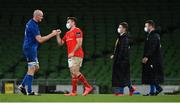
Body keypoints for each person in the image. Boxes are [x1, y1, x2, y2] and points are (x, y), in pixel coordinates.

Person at [18, 9, 60, 95]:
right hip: (30, 48)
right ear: (36, 16)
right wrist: (53, 34)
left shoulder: (32, 23)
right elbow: (40, 40)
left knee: (36, 67)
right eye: (41, 16)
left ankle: (22, 85)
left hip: (32, 47)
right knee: (32, 68)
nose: (42, 17)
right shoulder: (32, 25)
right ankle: (29, 91)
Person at [56, 17, 92, 96]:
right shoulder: (67, 33)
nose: (67, 24)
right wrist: (57, 35)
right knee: (73, 74)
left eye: (68, 22)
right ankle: (74, 92)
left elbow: (79, 43)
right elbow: (60, 43)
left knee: (75, 72)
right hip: (70, 56)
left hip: (77, 54)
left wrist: (72, 52)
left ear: (73, 23)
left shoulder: (77, 31)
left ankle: (88, 87)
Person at [111, 22, 135, 96]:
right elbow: (118, 49)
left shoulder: (125, 38)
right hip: (120, 59)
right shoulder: (121, 37)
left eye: (120, 27)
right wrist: (114, 55)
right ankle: (131, 88)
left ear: (124, 29)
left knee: (121, 76)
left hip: (122, 60)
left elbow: (123, 50)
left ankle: (121, 92)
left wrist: (118, 59)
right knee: (122, 76)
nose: (119, 28)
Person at [142, 20, 164, 96]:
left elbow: (152, 48)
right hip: (151, 58)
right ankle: (153, 91)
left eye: (146, 26)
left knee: (152, 75)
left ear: (151, 26)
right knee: (150, 75)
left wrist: (146, 56)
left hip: (153, 59)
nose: (145, 27)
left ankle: (157, 88)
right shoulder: (151, 35)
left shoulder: (154, 35)